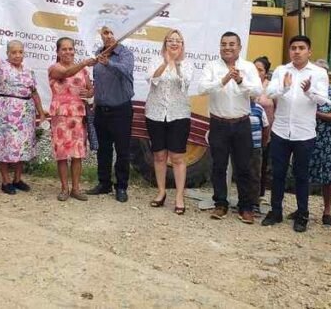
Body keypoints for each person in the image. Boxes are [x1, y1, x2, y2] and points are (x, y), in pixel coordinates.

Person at [262, 35, 328, 232]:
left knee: (301, 175)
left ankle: (302, 214)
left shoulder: (318, 73)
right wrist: (285, 87)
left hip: (304, 133)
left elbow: (323, 101)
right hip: (281, 130)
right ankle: (275, 211)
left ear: (309, 51)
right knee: (278, 173)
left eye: (301, 48)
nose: (296, 51)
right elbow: (271, 93)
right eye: (293, 48)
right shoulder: (282, 71)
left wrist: (308, 92)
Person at [199, 31, 262, 223]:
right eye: (224, 44)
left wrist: (240, 81)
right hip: (218, 123)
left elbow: (258, 90)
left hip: (241, 123)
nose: (227, 47)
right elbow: (202, 88)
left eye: (231, 44)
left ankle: (246, 207)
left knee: (244, 167)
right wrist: (223, 80)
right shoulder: (212, 66)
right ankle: (220, 204)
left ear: (239, 47)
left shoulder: (248, 67)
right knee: (218, 166)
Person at [0, 41, 45, 195]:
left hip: (25, 113)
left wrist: (41, 112)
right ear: (8, 53)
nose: (17, 55)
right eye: (14, 52)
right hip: (6, 112)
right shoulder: (1, 65)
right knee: (5, 145)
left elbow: (34, 92)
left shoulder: (29, 70)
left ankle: (17, 179)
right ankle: (5, 181)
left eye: (20, 52)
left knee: (22, 146)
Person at [145, 29, 193, 214]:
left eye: (178, 41)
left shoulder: (187, 64)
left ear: (182, 45)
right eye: (170, 40)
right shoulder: (155, 61)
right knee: (159, 155)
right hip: (156, 113)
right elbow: (152, 79)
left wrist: (176, 63)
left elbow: (185, 82)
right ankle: (161, 192)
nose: (174, 43)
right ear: (164, 43)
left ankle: (179, 196)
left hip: (179, 114)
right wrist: (166, 63)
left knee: (178, 157)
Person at [86, 26, 135, 203]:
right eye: (105, 33)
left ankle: (121, 187)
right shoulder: (98, 54)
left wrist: (109, 63)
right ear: (101, 35)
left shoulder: (126, 54)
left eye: (112, 32)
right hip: (101, 110)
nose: (109, 36)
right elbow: (98, 82)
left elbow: (126, 70)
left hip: (121, 110)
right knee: (103, 150)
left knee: (122, 151)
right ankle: (104, 183)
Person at [48, 37, 96, 201]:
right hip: (60, 115)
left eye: (71, 49)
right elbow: (66, 73)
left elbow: (91, 89)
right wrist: (84, 63)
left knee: (77, 154)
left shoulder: (83, 72)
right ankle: (64, 189)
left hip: (78, 116)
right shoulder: (54, 68)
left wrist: (89, 93)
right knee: (62, 154)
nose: (68, 52)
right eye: (64, 49)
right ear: (58, 52)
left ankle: (76, 188)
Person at [308, 59, 331, 226]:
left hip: (326, 139)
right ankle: (303, 208)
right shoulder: (305, 90)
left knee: (327, 177)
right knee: (302, 174)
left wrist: (317, 115)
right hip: (305, 137)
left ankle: (327, 211)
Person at [253, 56, 274, 200]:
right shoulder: (247, 85)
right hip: (249, 132)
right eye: (254, 69)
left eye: (260, 70)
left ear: (265, 73)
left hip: (267, 132)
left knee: (262, 164)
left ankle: (258, 196)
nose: (256, 72)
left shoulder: (271, 88)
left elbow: (278, 107)